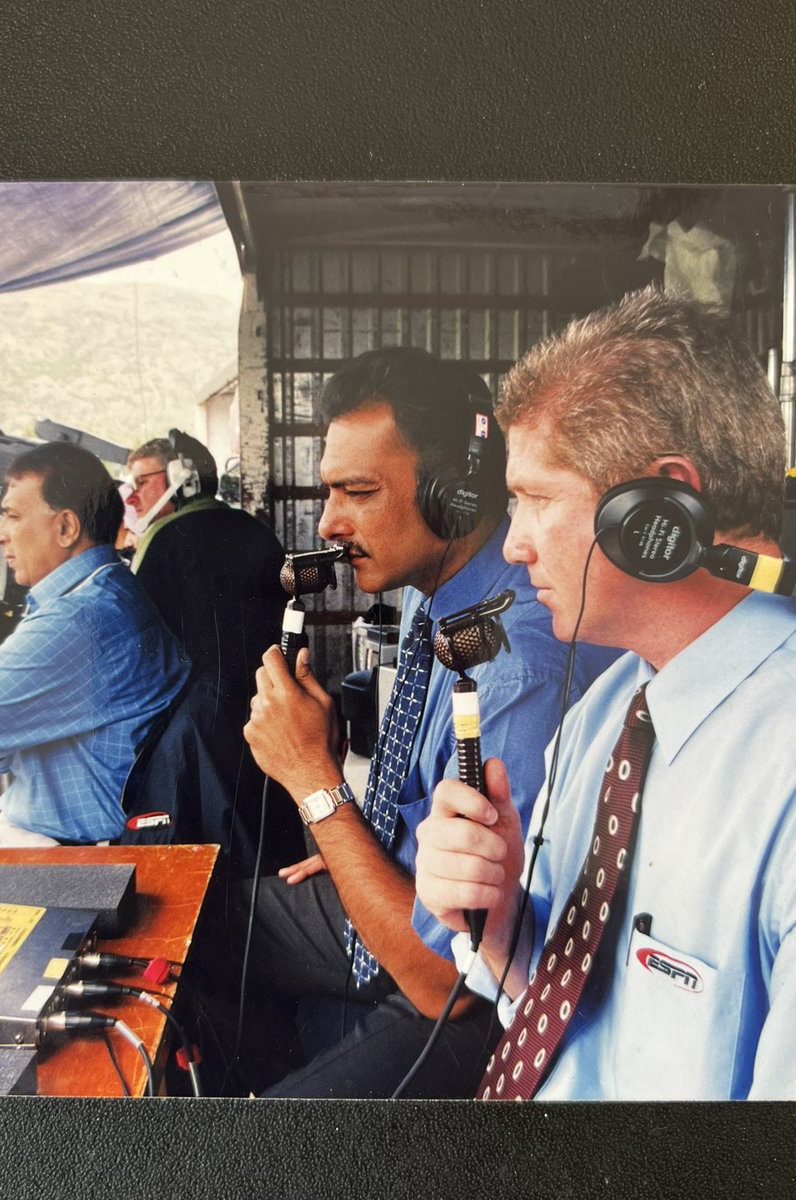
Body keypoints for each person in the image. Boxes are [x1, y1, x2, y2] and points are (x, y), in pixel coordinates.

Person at [194, 346, 619, 1098]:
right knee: (188, 931)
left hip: (467, 997)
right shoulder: (436, 582)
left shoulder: (516, 667)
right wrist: (365, 846)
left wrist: (316, 786)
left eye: (358, 491)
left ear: (453, 496)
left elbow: (443, 976)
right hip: (405, 881)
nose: (330, 522)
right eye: (332, 491)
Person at [414, 286, 796, 1100]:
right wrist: (501, 920)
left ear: (659, 509)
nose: (512, 545)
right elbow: (559, 1011)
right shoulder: (606, 710)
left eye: (537, 499)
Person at [0, 441, 189, 846]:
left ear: (66, 528)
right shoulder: (108, 592)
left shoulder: (76, 620)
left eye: (12, 516)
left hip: (65, 847)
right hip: (65, 829)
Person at [120, 433, 304, 875]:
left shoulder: (162, 539)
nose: (133, 496)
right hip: (270, 698)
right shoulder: (255, 530)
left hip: (196, 718)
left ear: (181, 480)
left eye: (142, 481)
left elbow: (139, 638)